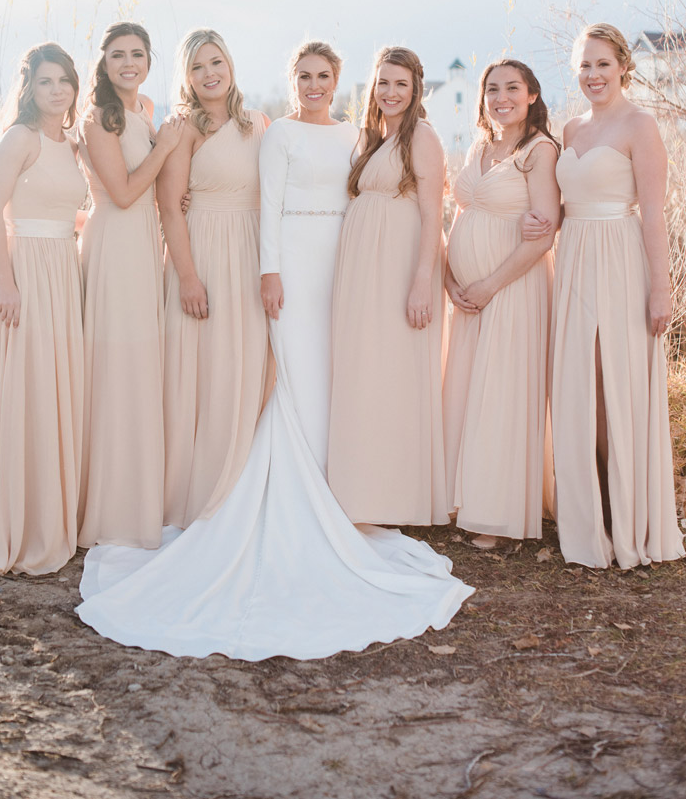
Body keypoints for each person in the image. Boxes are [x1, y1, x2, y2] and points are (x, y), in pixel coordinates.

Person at [75, 40, 473, 660]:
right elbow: (266, 208)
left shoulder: (354, 138)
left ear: (339, 82)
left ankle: (337, 492)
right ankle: (288, 497)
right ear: (292, 81)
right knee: (292, 376)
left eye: (324, 76)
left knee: (329, 379)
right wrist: (270, 271)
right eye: (304, 76)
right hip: (289, 262)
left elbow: (374, 202)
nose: (314, 85)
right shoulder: (276, 133)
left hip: (340, 268)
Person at [540, 23, 684, 568]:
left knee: (618, 386)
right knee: (581, 389)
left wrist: (659, 289)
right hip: (574, 258)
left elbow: (653, 215)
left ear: (623, 64)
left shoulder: (640, 125)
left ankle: (628, 515)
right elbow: (556, 204)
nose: (593, 75)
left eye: (602, 64)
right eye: (583, 66)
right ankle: (589, 513)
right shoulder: (570, 128)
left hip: (621, 259)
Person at [0, 43, 86, 574]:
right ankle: (14, 520)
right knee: (23, 387)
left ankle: (48, 514)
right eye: (46, 82)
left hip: (62, 271)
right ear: (29, 89)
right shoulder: (19, 139)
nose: (56, 91)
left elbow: (63, 211)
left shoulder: (69, 144)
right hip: (24, 273)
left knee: (54, 387)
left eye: (64, 82)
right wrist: (6, 283)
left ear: (75, 88)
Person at [328, 46, 449, 523]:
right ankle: (360, 487)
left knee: (392, 372)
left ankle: (395, 495)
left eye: (400, 83)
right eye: (383, 82)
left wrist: (422, 281)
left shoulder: (422, 136)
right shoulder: (374, 136)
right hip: (362, 270)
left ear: (416, 87)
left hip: (400, 267)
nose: (391, 92)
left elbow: (431, 213)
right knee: (364, 370)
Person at [157, 28, 273, 526]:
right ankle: (194, 488)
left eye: (216, 62)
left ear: (230, 65)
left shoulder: (260, 124)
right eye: (198, 67)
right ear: (186, 77)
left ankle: (244, 483)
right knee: (200, 368)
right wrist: (187, 276)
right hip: (201, 251)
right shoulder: (184, 128)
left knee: (246, 363)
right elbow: (169, 206)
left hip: (250, 252)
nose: (210, 74)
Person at [443, 59, 559, 548]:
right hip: (468, 296)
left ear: (531, 94)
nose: (501, 97)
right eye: (492, 89)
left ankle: (498, 513)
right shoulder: (479, 147)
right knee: (468, 391)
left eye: (512, 88)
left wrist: (489, 284)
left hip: (512, 288)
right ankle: (460, 497)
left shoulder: (540, 151)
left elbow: (542, 235)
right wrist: (451, 279)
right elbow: (461, 215)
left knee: (503, 394)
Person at [76, 22, 184, 550]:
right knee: (117, 364)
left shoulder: (142, 111)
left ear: (149, 59)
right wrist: (165, 150)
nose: (128, 63)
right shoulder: (98, 117)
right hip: (116, 243)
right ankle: (110, 505)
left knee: (141, 363)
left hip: (144, 243)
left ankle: (139, 496)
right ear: (104, 62)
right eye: (117, 55)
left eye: (137, 53)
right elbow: (120, 193)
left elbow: (152, 183)